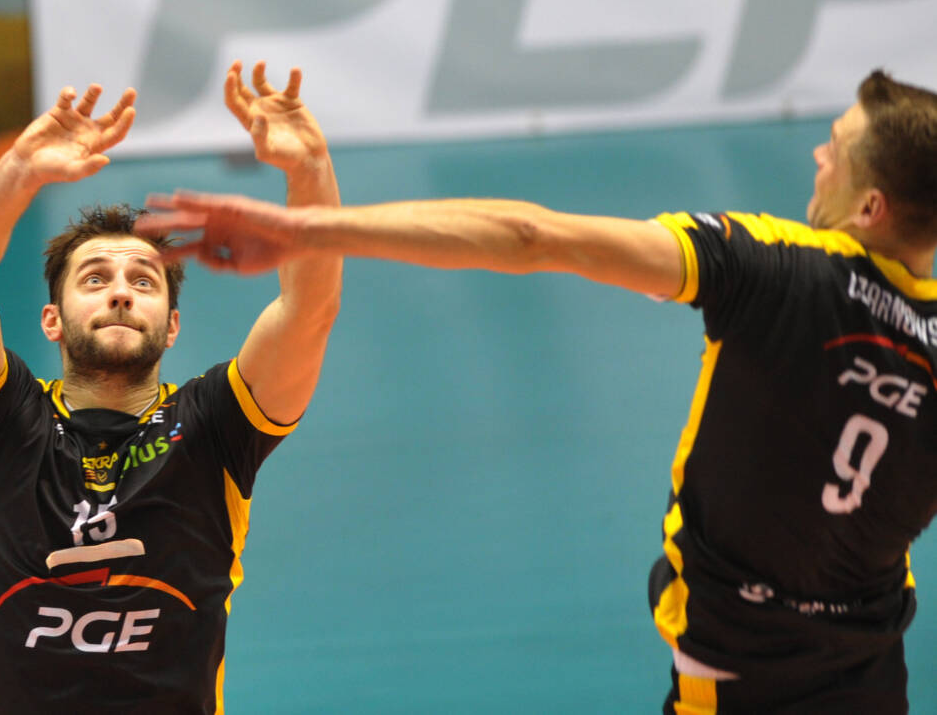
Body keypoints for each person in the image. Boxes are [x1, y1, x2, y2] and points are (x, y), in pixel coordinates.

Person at [142, 69, 937, 715]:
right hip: (874, 680)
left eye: (836, 150)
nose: (818, 156)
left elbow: (532, 237)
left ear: (870, 208)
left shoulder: (773, 264)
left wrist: (302, 231)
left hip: (737, 681)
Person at [0, 61, 341, 712]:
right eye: (94, 279)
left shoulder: (214, 427)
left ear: (172, 326)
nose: (120, 292)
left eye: (143, 281)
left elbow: (308, 311)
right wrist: (19, 169)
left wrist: (309, 166)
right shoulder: (0, 423)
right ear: (52, 320)